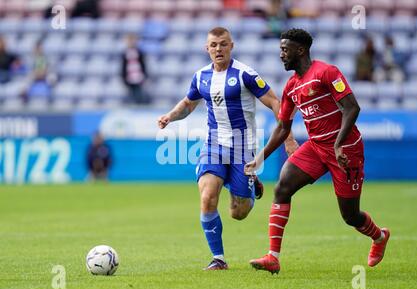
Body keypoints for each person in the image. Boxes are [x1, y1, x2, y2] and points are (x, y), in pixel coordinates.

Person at [245, 28, 390, 274]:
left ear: (300, 50)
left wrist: (338, 144)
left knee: (350, 216)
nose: (281, 55)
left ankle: (379, 236)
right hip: (316, 147)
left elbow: (352, 108)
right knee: (283, 186)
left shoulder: (326, 73)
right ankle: (273, 257)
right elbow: (282, 128)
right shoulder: (291, 86)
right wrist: (259, 157)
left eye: (284, 49)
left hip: (346, 150)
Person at [157, 27, 298, 271]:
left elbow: (275, 102)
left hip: (243, 148)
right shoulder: (201, 76)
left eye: (223, 44)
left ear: (231, 45)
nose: (218, 49)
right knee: (208, 196)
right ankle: (218, 259)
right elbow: (189, 103)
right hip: (213, 144)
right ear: (207, 48)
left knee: (238, 212)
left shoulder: (245, 74)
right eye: (213, 45)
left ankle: (249, 187)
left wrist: (288, 138)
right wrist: (170, 116)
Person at [121, 34, 149, 105]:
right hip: (129, 76)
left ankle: (140, 105)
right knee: (131, 93)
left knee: (139, 93)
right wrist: (123, 76)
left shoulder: (139, 52)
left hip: (138, 76)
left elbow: (143, 64)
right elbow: (123, 66)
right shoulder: (125, 53)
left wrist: (144, 75)